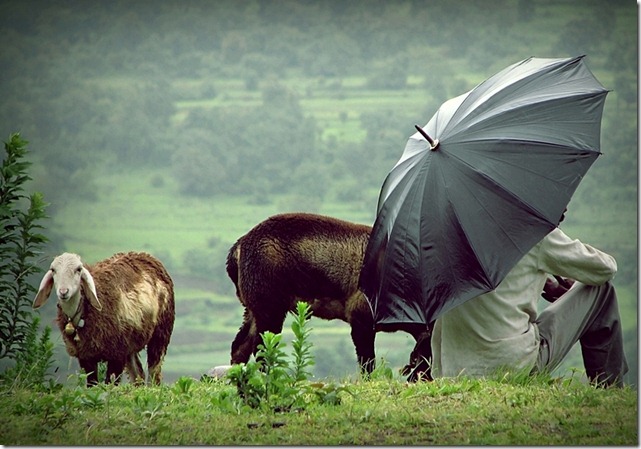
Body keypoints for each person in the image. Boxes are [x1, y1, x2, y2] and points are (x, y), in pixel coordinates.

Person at [430, 210, 629, 387]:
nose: (564, 209)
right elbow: (605, 268)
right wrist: (572, 284)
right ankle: (610, 387)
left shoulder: (450, 234)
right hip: (513, 366)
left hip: (453, 371)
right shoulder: (533, 232)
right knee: (602, 291)